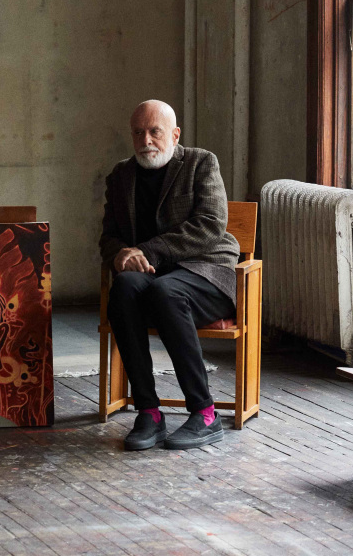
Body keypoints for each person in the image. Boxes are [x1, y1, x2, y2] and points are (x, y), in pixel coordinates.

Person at [100, 99, 239, 450]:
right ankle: (149, 411)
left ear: (175, 134)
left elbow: (210, 225)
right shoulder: (121, 175)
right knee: (124, 288)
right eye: (138, 132)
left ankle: (206, 414)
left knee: (165, 292)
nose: (146, 140)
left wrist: (146, 251)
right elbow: (109, 236)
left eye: (154, 131)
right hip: (152, 279)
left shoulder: (200, 163)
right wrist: (120, 256)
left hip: (205, 272)